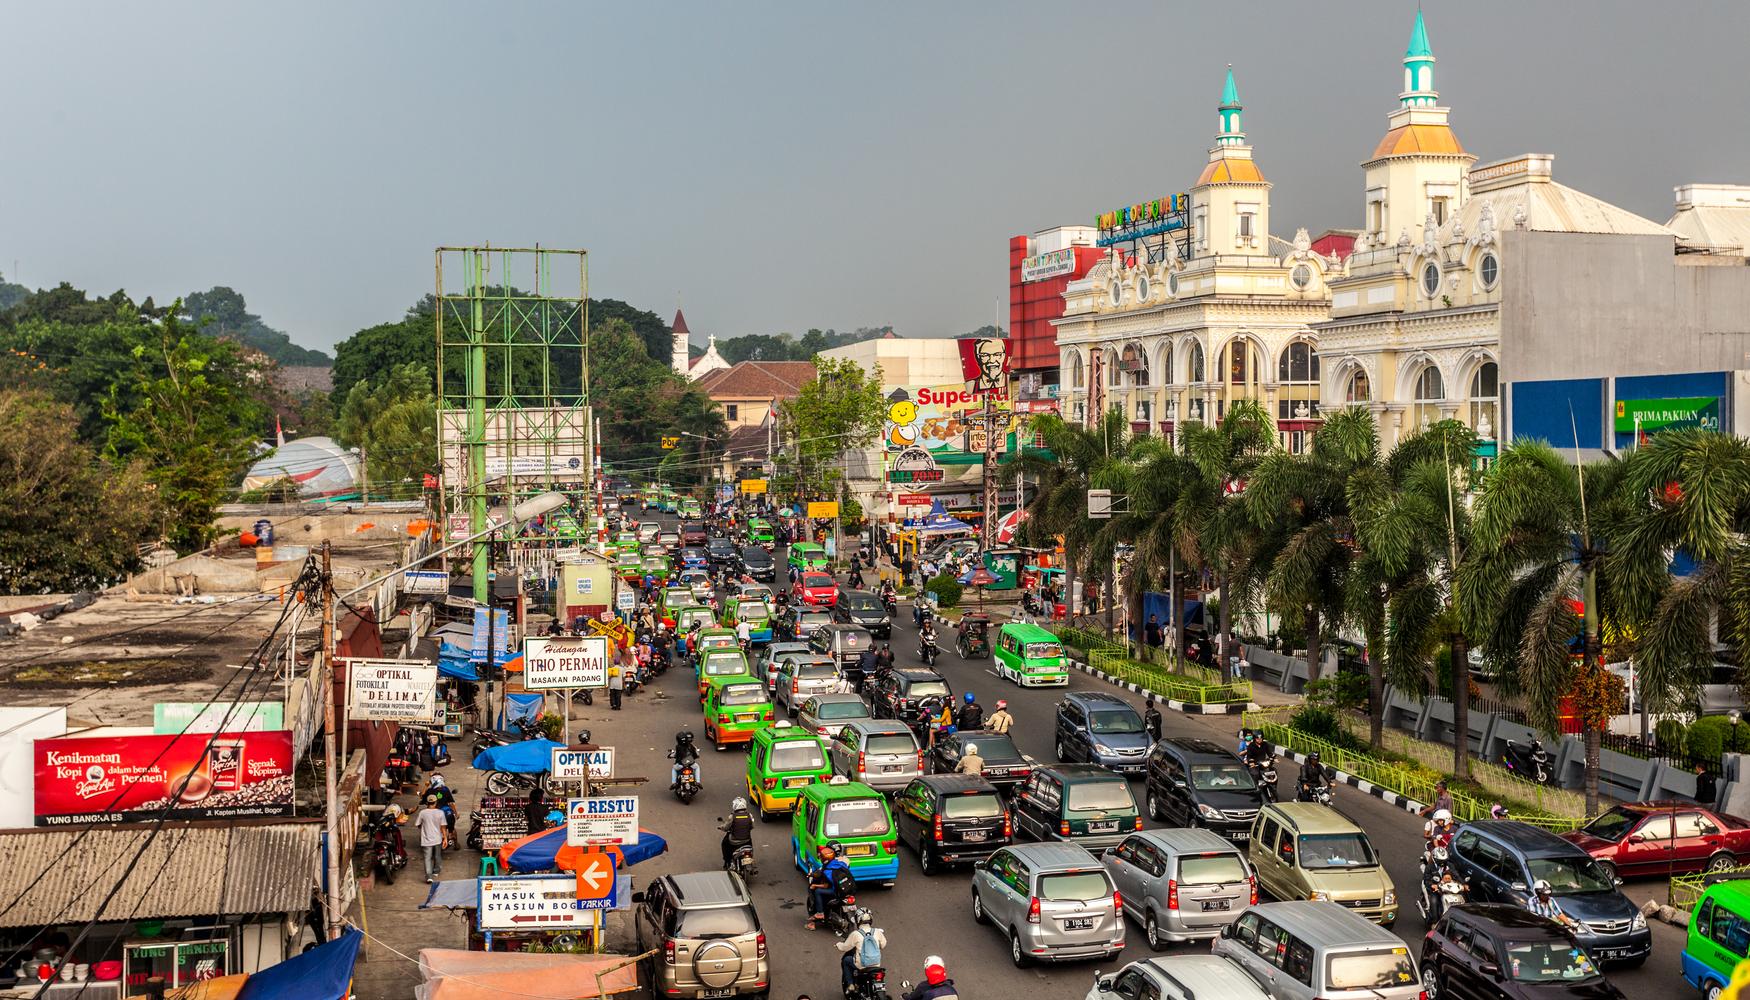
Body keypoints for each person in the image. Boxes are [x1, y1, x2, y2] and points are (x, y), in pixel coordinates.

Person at [835, 908, 886, 992]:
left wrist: (838, 945)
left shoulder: (856, 934)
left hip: (861, 965)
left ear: (858, 920)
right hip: (876, 964)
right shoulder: (877, 932)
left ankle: (851, 984)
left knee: (846, 960)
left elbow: (845, 947)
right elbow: (883, 945)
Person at [806, 843, 854, 930]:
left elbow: (826, 885)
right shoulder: (843, 862)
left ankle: (820, 913)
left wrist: (814, 885)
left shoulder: (826, 870)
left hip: (837, 892)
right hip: (849, 889)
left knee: (817, 891)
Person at [414, 794, 449, 883]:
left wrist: (424, 826)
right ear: (436, 802)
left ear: (427, 803)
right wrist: (445, 838)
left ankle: (429, 876)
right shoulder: (440, 812)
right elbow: (443, 827)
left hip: (426, 839)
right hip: (437, 838)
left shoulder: (422, 812)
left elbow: (417, 824)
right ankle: (436, 871)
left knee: (427, 857)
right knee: (437, 856)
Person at [720, 797, 754, 868]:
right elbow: (752, 826)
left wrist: (721, 827)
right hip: (746, 840)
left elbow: (726, 828)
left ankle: (727, 861)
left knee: (724, 844)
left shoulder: (732, 816)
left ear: (735, 806)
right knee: (750, 843)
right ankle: (750, 857)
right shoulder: (749, 816)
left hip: (734, 841)